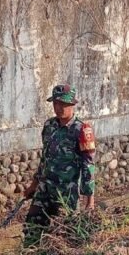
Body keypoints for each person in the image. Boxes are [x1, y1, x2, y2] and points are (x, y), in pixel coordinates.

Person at [22, 84, 96, 244]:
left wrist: (89, 200)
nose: (58, 108)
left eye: (63, 104)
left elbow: (88, 166)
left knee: (65, 234)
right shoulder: (49, 126)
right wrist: (34, 185)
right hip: (45, 189)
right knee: (31, 228)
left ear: (72, 104)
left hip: (66, 193)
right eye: (56, 103)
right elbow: (45, 159)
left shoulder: (82, 130)